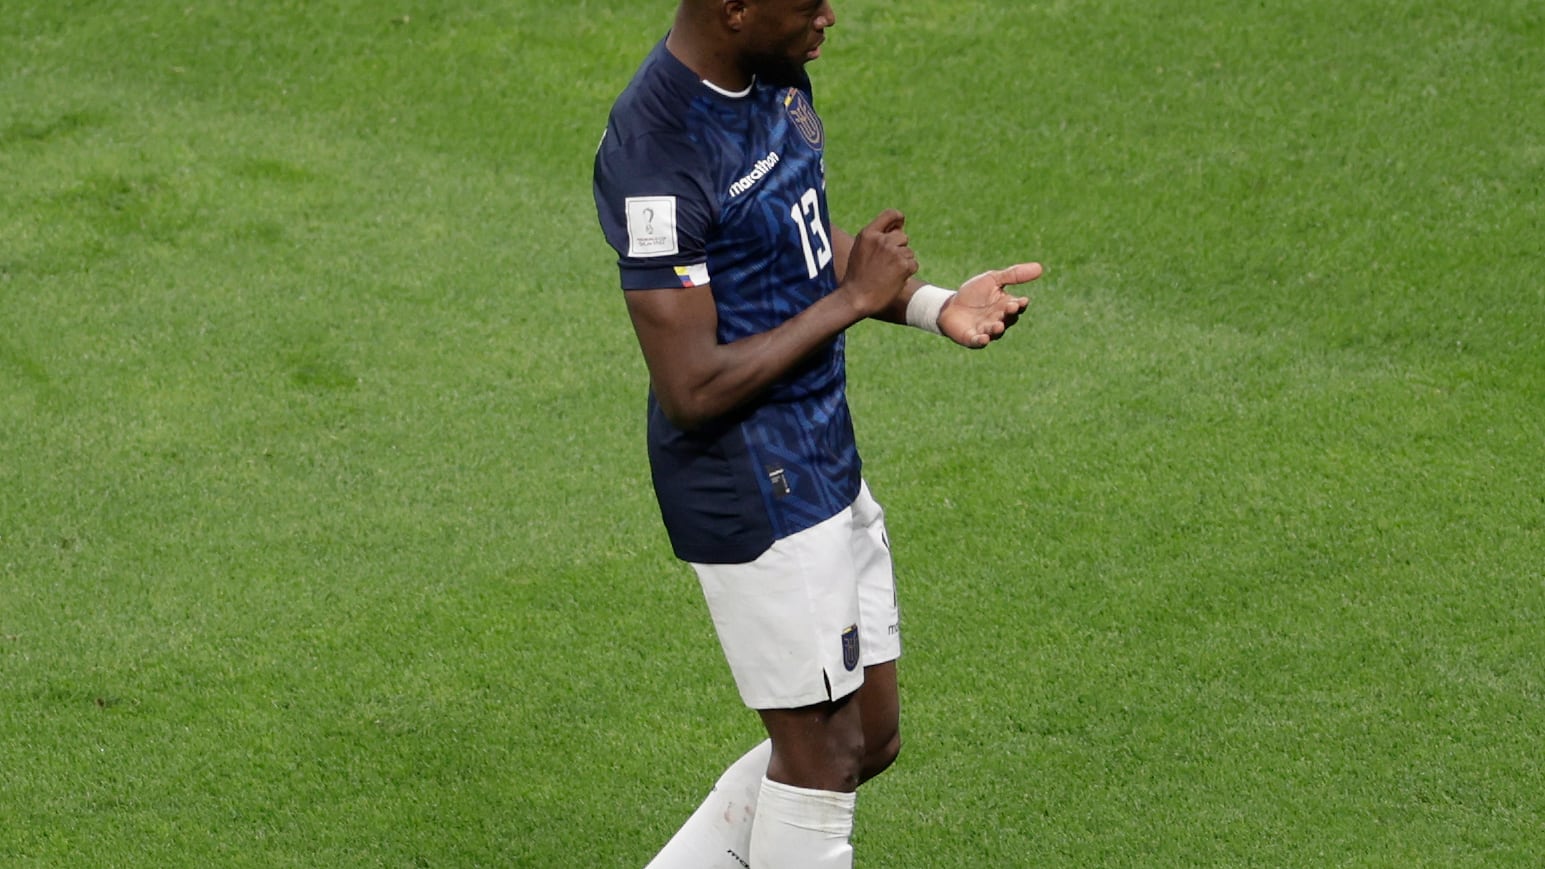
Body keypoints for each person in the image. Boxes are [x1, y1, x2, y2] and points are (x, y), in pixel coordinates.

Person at [592, 2, 1042, 866]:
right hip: (748, 483)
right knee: (822, 760)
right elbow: (689, 385)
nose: (829, 15)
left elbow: (795, 239)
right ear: (734, 8)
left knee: (869, 739)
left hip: (819, 452)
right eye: (807, 2)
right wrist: (852, 302)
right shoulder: (658, 150)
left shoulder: (775, 70)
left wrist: (929, 303)